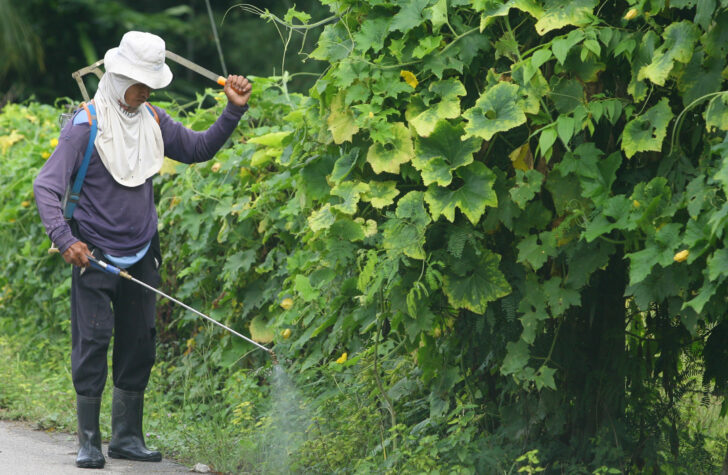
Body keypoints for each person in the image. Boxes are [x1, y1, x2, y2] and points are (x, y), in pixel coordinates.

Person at [33, 31, 251, 469]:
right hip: (93, 254)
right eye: (138, 81)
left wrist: (233, 110)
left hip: (141, 252)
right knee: (92, 342)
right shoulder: (85, 125)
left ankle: (128, 438)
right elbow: (46, 185)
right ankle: (90, 442)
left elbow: (198, 148)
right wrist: (64, 239)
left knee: (139, 344)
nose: (146, 90)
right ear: (116, 77)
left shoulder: (152, 117)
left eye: (150, 82)